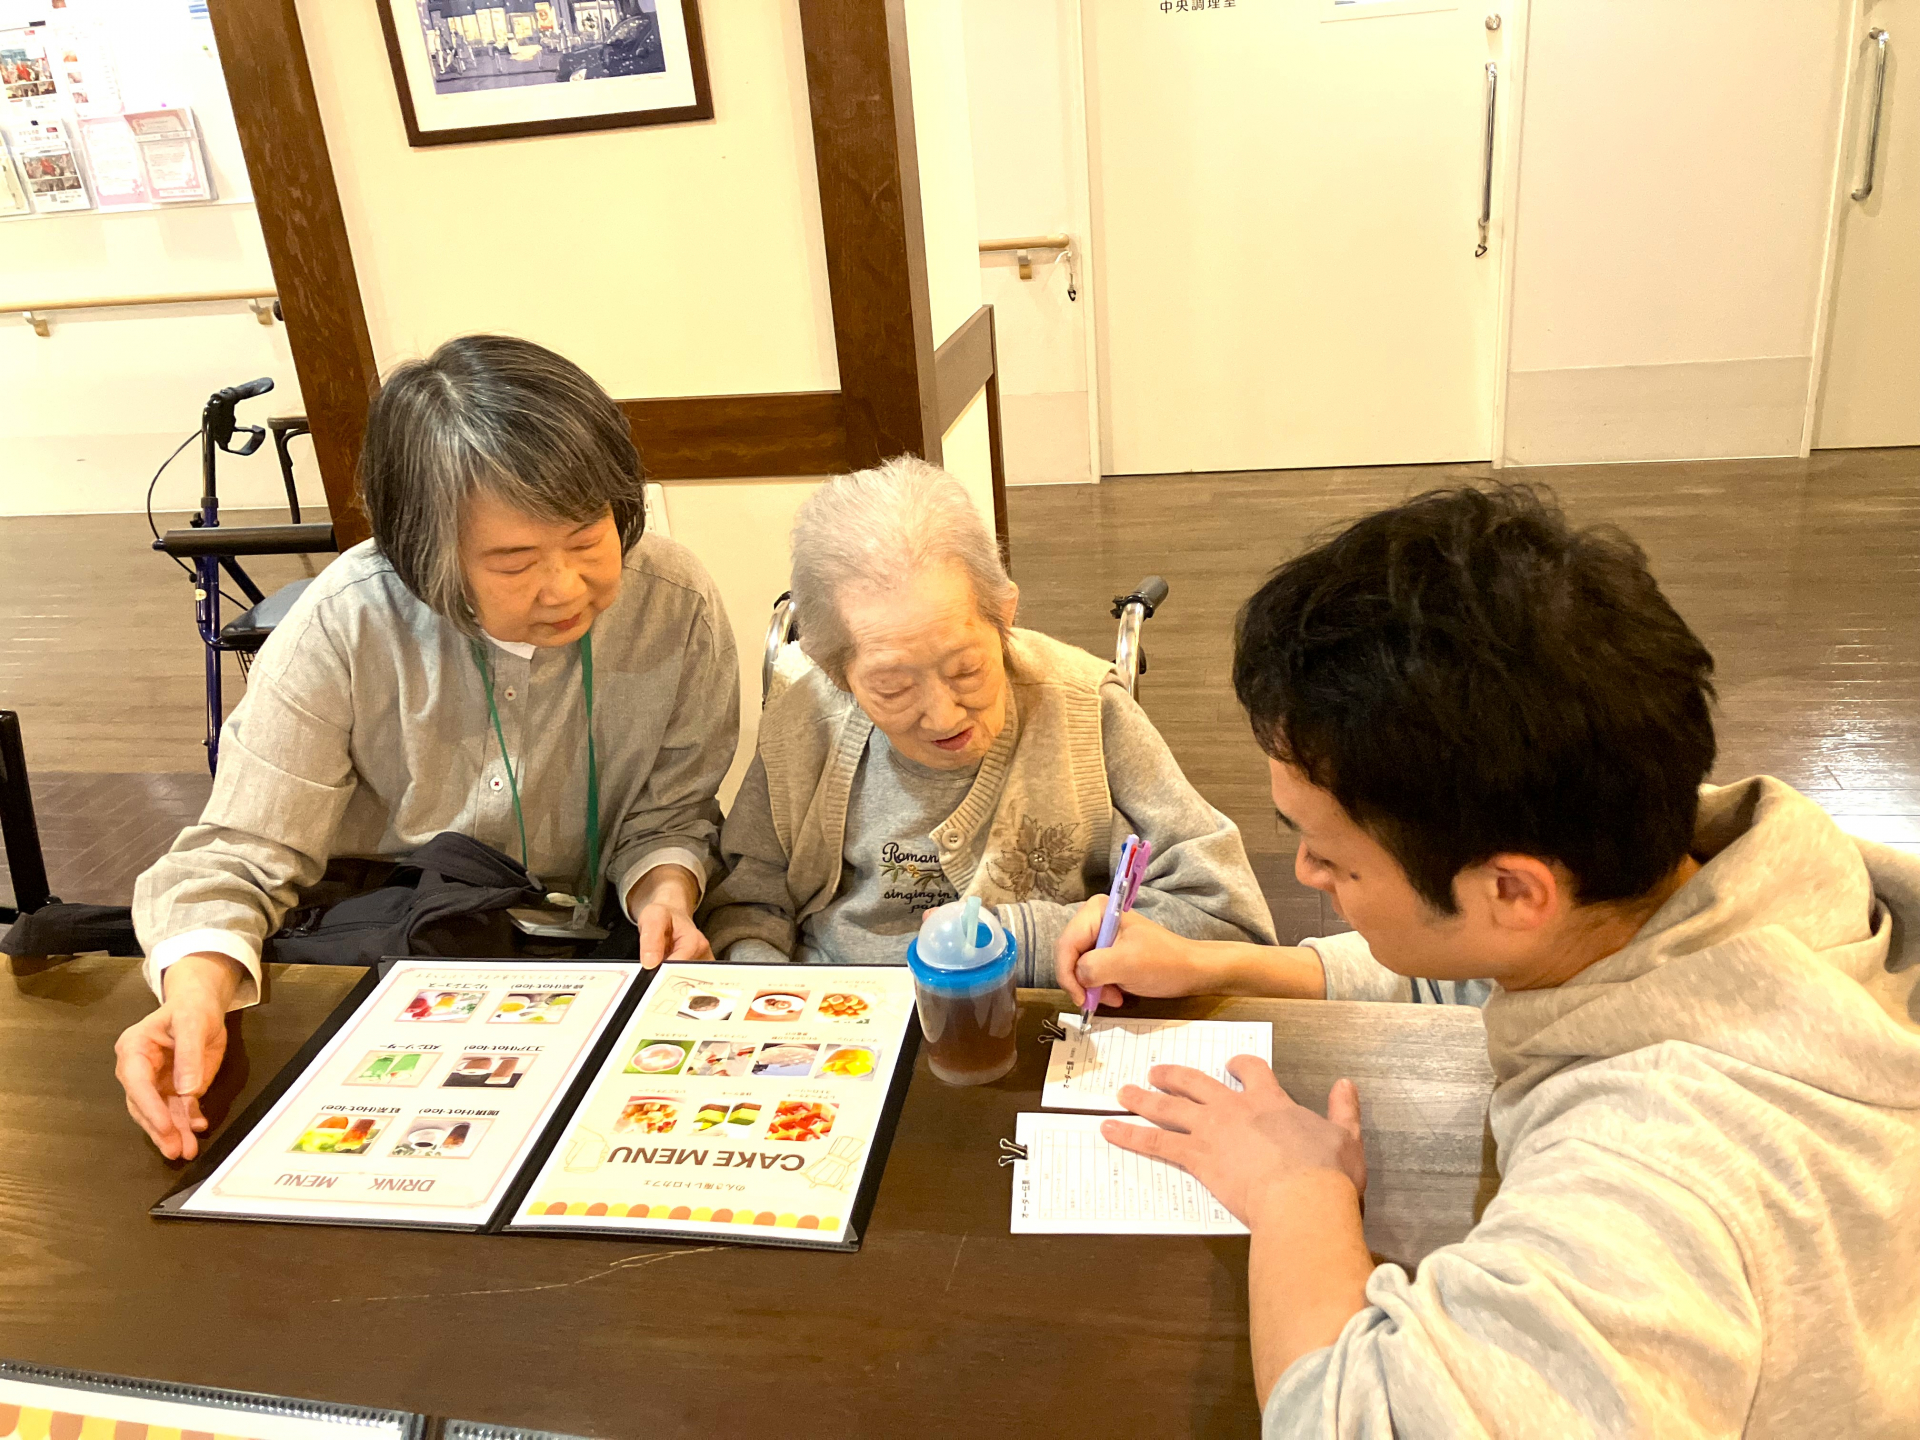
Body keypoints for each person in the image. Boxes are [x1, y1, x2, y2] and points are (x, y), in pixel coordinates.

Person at [1057, 486, 1920, 1436]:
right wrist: (1217, 965)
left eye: (1334, 860)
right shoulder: (1703, 864)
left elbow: (1339, 1423)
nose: (1304, 872)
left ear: (1512, 889)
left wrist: (1294, 1188)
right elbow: (1471, 963)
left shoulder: (1653, 1197)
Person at [117, 335, 740, 1161]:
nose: (565, 586)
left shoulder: (676, 603)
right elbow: (242, 850)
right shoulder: (347, 621)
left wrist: (664, 893)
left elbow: (671, 814)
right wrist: (193, 992)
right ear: (422, 551)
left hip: (593, 962)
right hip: (389, 961)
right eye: (515, 561)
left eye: (588, 538)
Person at [699, 455, 1274, 978]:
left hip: (1034, 1008)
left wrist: (1029, 937)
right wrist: (770, 992)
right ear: (834, 671)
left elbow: (1225, 918)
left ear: (1004, 615)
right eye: (893, 687)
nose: (943, 715)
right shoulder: (803, 725)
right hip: (844, 1008)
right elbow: (747, 902)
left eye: (966, 669)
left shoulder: (1085, 709)